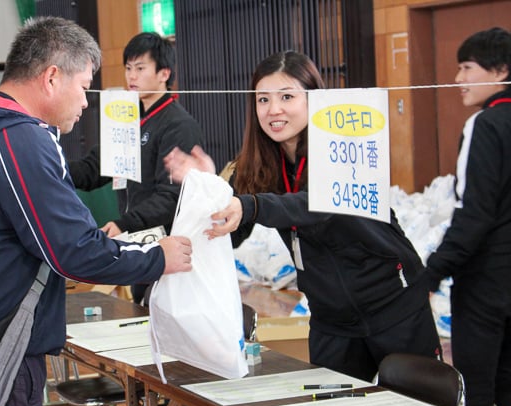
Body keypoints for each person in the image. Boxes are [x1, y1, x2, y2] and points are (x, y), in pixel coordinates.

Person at [0, 17, 192, 406]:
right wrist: (157, 257)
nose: (87, 102)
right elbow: (75, 251)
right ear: (52, 77)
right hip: (0, 352)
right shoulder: (19, 139)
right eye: (84, 87)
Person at [164, 51, 441, 382]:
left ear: (313, 99)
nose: (273, 110)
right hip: (331, 319)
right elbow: (230, 231)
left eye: (286, 97)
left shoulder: (343, 148)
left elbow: (318, 205)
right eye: (263, 99)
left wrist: (251, 205)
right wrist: (208, 185)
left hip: (394, 304)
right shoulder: (257, 165)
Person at [68, 32, 204, 305]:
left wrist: (123, 224)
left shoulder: (178, 124)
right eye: (128, 68)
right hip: (138, 242)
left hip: (168, 244)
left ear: (164, 73)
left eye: (140, 68)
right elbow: (94, 169)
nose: (132, 76)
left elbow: (171, 196)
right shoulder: (128, 120)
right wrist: (49, 166)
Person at [417, 27, 511, 406]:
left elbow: (474, 215)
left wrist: (433, 271)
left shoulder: (484, 125)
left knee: (476, 396)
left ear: (500, 70)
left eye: (466, 67)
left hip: (486, 283)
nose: (457, 79)